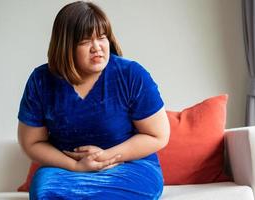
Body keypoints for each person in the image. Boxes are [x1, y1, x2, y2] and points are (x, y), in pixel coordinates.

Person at [17, 1, 170, 199]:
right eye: (85, 41)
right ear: (66, 46)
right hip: (67, 171)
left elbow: (158, 135)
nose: (97, 47)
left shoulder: (132, 74)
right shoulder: (40, 81)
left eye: (102, 37)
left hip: (128, 167)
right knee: (44, 190)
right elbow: (31, 142)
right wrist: (76, 166)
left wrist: (104, 157)